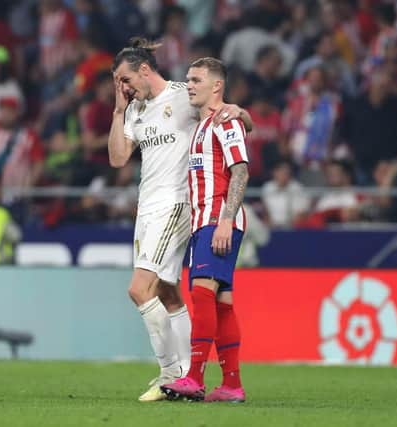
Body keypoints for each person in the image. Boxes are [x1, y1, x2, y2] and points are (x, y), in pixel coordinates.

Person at [109, 38, 252, 402]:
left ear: (144, 70)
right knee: (174, 293)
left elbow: (236, 134)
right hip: (151, 207)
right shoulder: (137, 110)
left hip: (180, 206)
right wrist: (118, 108)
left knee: (141, 289)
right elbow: (117, 159)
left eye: (126, 80)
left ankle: (174, 372)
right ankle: (205, 377)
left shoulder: (182, 97)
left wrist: (241, 112)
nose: (124, 87)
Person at [161, 57, 249, 403]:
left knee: (201, 295)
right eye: (187, 79)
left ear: (217, 85)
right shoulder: (205, 124)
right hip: (205, 222)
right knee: (222, 303)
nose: (190, 85)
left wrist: (226, 219)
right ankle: (231, 385)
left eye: (196, 79)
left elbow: (240, 171)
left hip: (218, 222)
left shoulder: (225, 122)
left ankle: (194, 378)